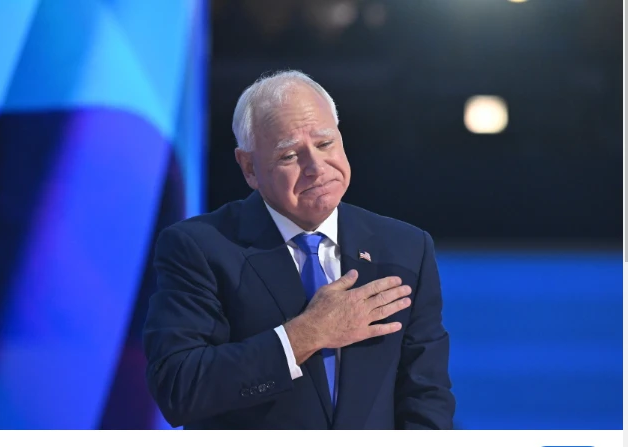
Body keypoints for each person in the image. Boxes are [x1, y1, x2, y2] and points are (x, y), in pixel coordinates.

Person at [143, 70, 455, 430]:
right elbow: (179, 389)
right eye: (290, 155)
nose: (316, 168)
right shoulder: (198, 248)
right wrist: (305, 335)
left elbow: (426, 397)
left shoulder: (405, 247)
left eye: (325, 145)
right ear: (249, 168)